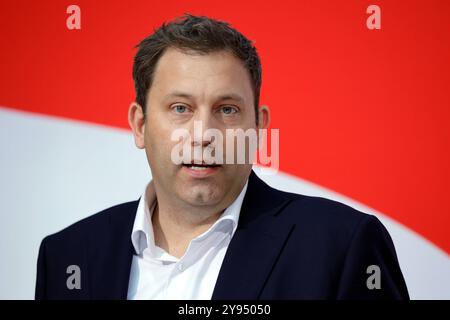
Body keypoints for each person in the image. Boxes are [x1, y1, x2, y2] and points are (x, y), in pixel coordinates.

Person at [35, 14, 409, 299]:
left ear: (258, 126)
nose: (203, 134)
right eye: (180, 108)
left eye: (227, 110)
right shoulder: (69, 256)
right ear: (140, 125)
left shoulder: (341, 246)